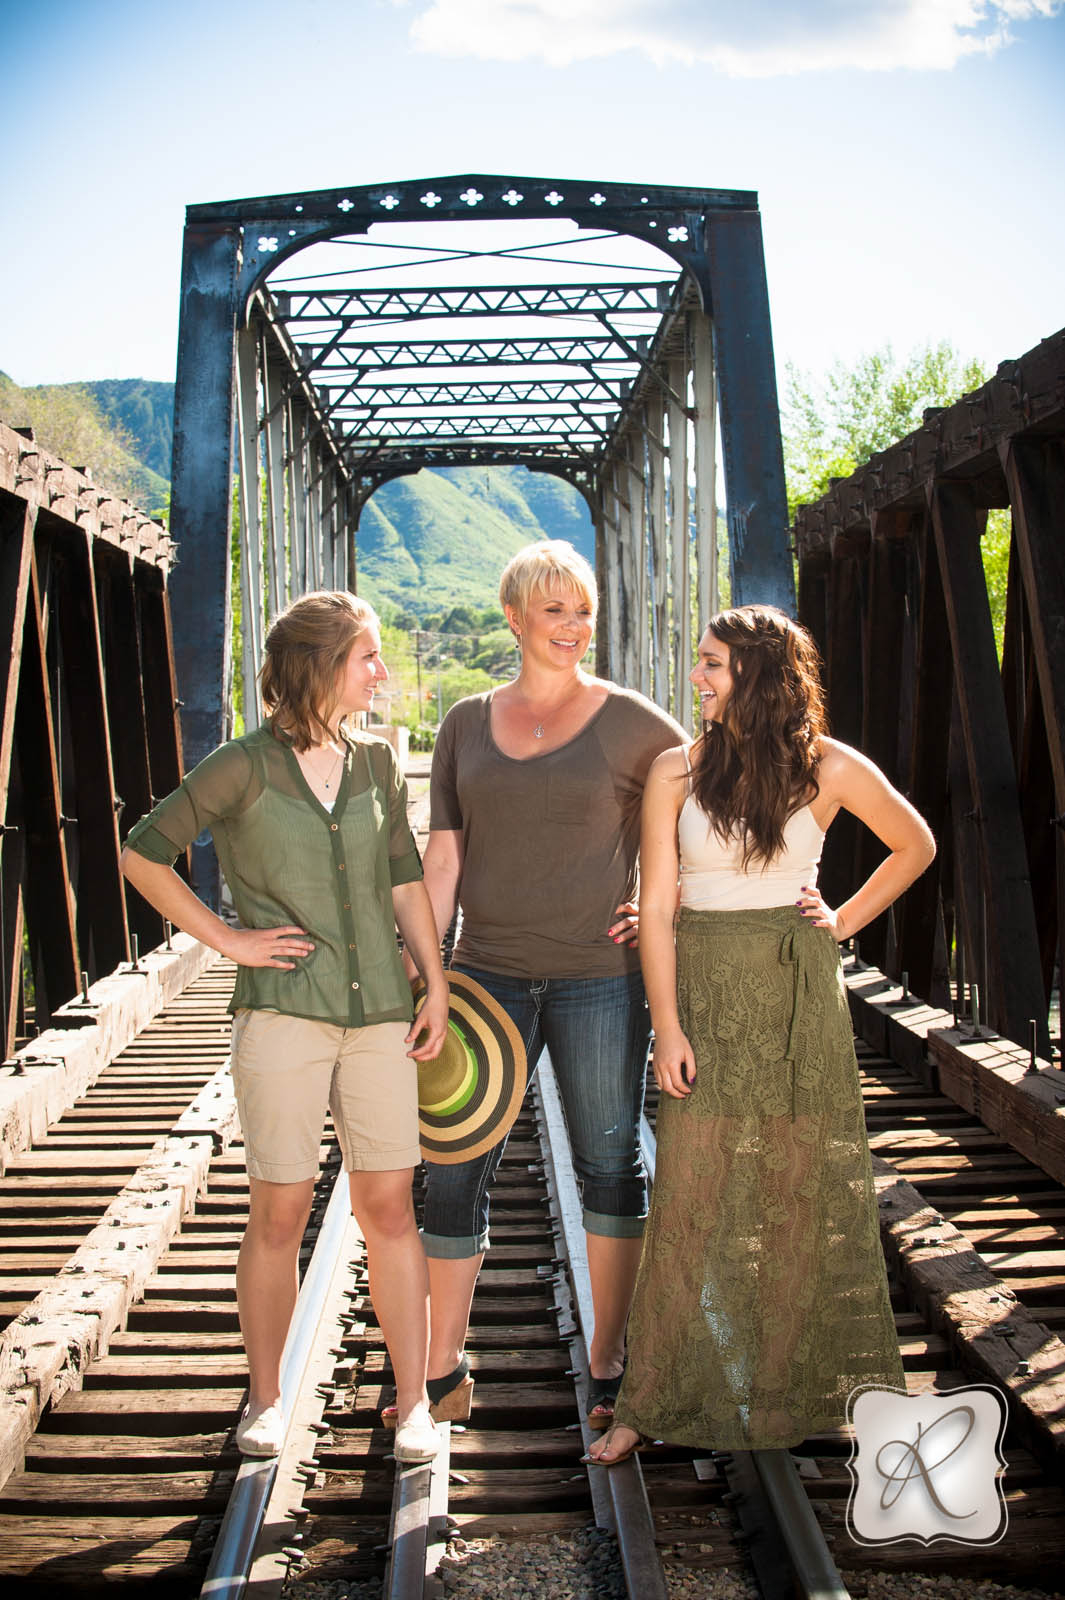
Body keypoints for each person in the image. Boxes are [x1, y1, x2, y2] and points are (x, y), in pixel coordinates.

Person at [587, 603, 936, 1465]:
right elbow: (659, 905)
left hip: (794, 992)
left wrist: (839, 921)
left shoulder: (831, 766)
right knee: (691, 1199)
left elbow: (915, 843)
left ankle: (781, 1394)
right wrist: (666, 1027)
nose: (698, 676)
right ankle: (650, 1399)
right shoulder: (677, 768)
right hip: (702, 987)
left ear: (754, 673)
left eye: (710, 663)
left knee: (794, 1194)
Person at [120, 590, 449, 1465]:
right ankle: (264, 1401)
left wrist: (436, 981)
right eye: (368, 656)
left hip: (379, 1010)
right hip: (282, 1016)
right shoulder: (242, 766)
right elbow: (140, 850)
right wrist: (226, 938)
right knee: (280, 1207)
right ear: (319, 666)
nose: (382, 671)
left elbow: (403, 878)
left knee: (388, 1206)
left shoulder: (376, 763)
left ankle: (412, 1403)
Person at [390, 540, 687, 1431]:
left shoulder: (636, 723)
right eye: (553, 609)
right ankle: (443, 1360)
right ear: (513, 615)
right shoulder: (464, 723)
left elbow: (712, 817)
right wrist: (426, 970)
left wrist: (668, 905)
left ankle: (608, 1356)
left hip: (601, 978)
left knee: (607, 1163)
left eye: (583, 609)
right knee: (451, 1167)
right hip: (486, 978)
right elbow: (443, 857)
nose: (571, 626)